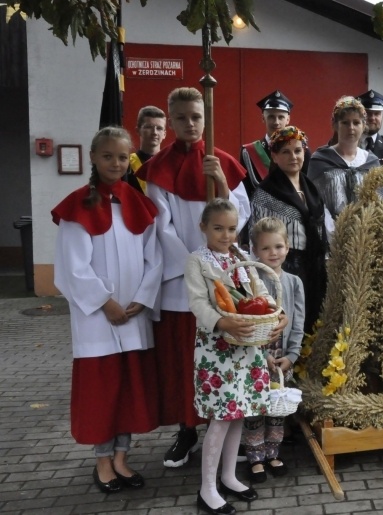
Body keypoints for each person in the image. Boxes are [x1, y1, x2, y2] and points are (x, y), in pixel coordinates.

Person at [136, 87, 284, 469]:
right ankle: (187, 431)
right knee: (185, 360)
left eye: (196, 117)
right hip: (182, 278)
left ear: (206, 119)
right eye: (181, 117)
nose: (189, 124)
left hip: (223, 276)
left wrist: (220, 181)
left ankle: (223, 429)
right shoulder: (159, 169)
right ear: (171, 121)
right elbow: (161, 226)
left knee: (224, 356)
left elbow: (240, 214)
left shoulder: (222, 161)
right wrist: (196, 266)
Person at [53, 127, 162, 493]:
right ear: (94, 158)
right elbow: (72, 266)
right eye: (107, 156)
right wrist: (105, 302)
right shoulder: (78, 206)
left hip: (133, 315)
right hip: (98, 321)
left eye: (121, 156)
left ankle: (121, 458)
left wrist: (143, 298)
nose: (115, 163)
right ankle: (102, 462)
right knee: (104, 392)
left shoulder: (137, 201)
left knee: (128, 390)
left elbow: (154, 259)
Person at [185, 198, 277, 513]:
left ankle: (228, 476)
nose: (226, 235)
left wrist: (275, 312)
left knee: (240, 412)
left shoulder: (241, 255)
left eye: (232, 228)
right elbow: (198, 302)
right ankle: (207, 488)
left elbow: (260, 290)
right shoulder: (198, 261)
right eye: (218, 228)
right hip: (218, 348)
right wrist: (222, 321)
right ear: (204, 228)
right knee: (221, 418)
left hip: (247, 346)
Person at [242, 217, 304, 484]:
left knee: (277, 409)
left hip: (282, 361)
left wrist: (292, 356)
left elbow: (298, 321)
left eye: (278, 246)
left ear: (288, 247)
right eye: (266, 248)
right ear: (255, 251)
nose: (273, 253)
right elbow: (247, 321)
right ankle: (255, 457)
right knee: (255, 410)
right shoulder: (250, 282)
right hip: (257, 358)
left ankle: (273, 453)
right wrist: (261, 355)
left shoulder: (294, 282)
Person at [250, 126, 327, 331]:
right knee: (289, 322)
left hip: (315, 268)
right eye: (285, 152)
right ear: (274, 156)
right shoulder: (266, 193)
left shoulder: (311, 188)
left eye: (298, 150)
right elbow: (257, 237)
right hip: (285, 268)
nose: (293, 156)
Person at [308, 96, 381, 239]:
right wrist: (334, 231)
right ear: (335, 125)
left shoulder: (372, 162)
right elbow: (314, 201)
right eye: (345, 123)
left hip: (365, 236)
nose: (351, 128)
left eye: (356, 122)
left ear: (363, 125)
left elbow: (379, 202)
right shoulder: (320, 160)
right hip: (329, 236)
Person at [240, 90, 309, 199]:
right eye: (271, 117)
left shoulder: (302, 151)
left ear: (288, 119)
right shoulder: (249, 152)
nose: (276, 122)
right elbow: (246, 191)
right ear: (263, 118)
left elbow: (306, 187)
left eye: (281, 117)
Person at [128, 106, 167, 194]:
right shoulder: (127, 165)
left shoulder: (171, 165)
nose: (154, 132)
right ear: (138, 131)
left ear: (164, 134)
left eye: (159, 128)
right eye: (149, 127)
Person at [357, 89, 383, 161]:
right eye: (367, 113)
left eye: (377, 114)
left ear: (382, 116)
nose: (372, 118)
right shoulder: (347, 145)